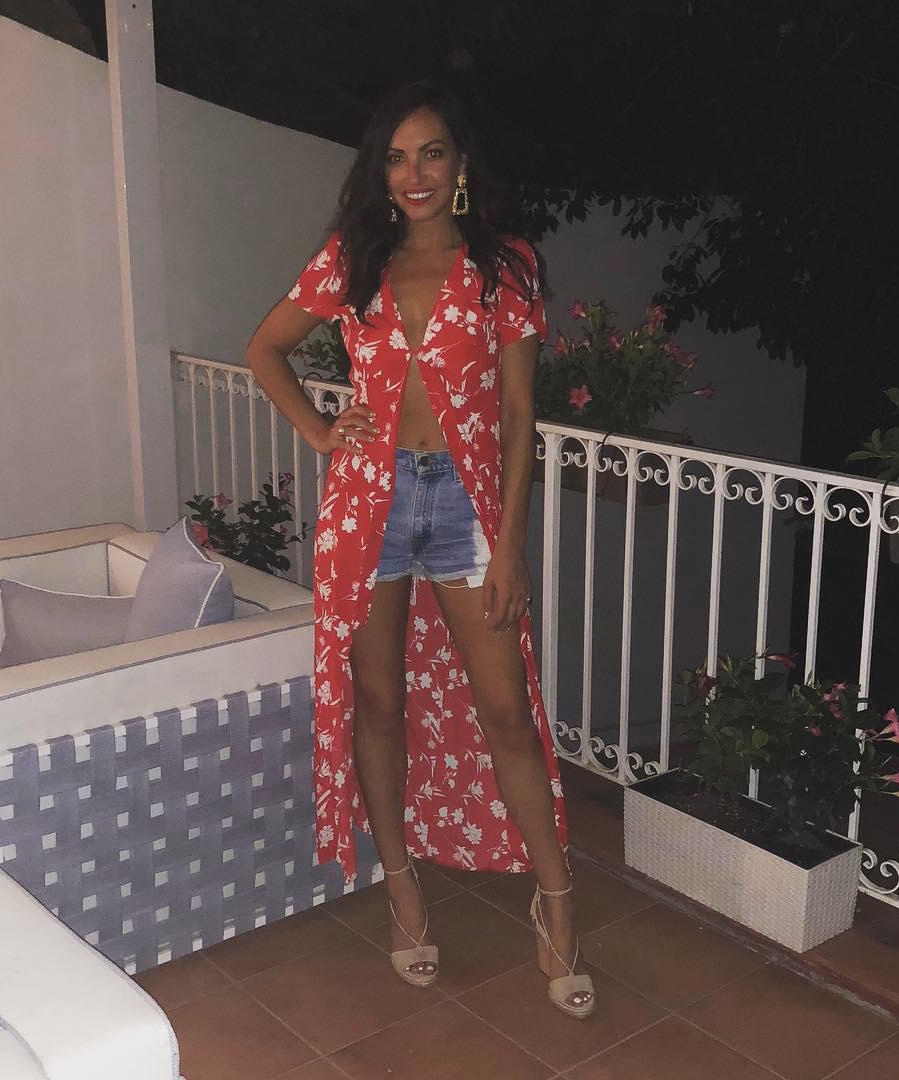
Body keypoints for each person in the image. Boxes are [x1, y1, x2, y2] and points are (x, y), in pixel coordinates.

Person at [246, 81, 594, 1019]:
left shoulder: (504, 267)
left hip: (466, 509)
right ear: (380, 171)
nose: (414, 174)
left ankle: (557, 901)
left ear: (461, 163)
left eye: (431, 153)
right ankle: (402, 888)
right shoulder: (351, 258)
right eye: (397, 158)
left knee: (506, 711)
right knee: (380, 702)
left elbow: (519, 416)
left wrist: (510, 545)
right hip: (370, 506)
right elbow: (265, 349)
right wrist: (322, 432)